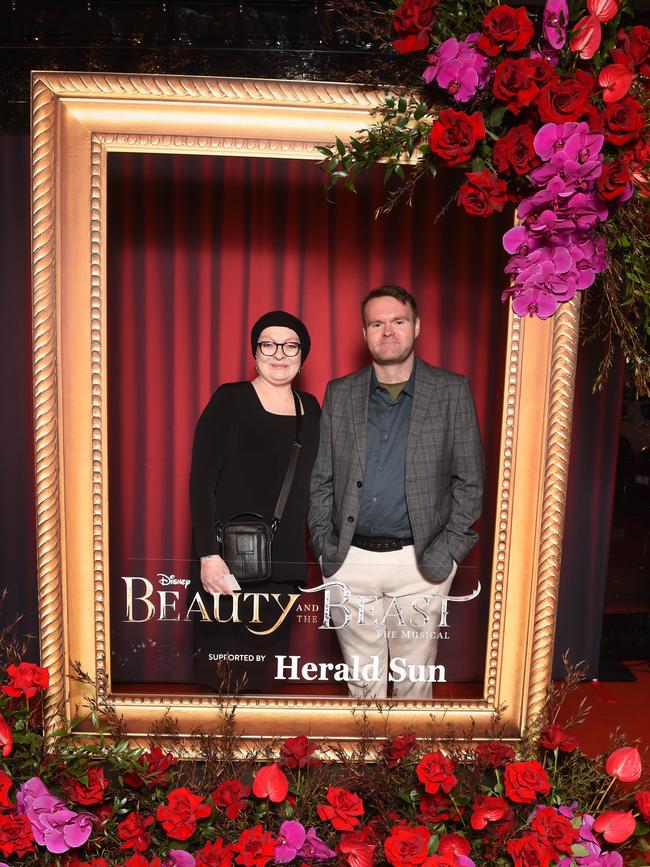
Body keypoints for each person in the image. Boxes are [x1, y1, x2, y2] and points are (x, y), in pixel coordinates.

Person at [308, 286, 483, 700]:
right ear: (365, 333)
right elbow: (322, 479)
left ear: (416, 326)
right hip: (349, 560)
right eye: (377, 323)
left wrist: (448, 552)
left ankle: (410, 767)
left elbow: (470, 482)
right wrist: (324, 546)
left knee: (413, 682)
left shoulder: (451, 391)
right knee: (362, 681)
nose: (388, 331)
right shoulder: (340, 392)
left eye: (398, 321)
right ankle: (365, 767)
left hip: (420, 565)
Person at [189, 311, 320, 692]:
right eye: (268, 344)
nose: (279, 353)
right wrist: (208, 556)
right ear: (255, 351)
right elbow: (202, 481)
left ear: (302, 354)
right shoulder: (230, 399)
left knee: (267, 682)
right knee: (223, 679)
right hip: (228, 564)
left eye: (290, 345)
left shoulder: (310, 408)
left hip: (285, 568)